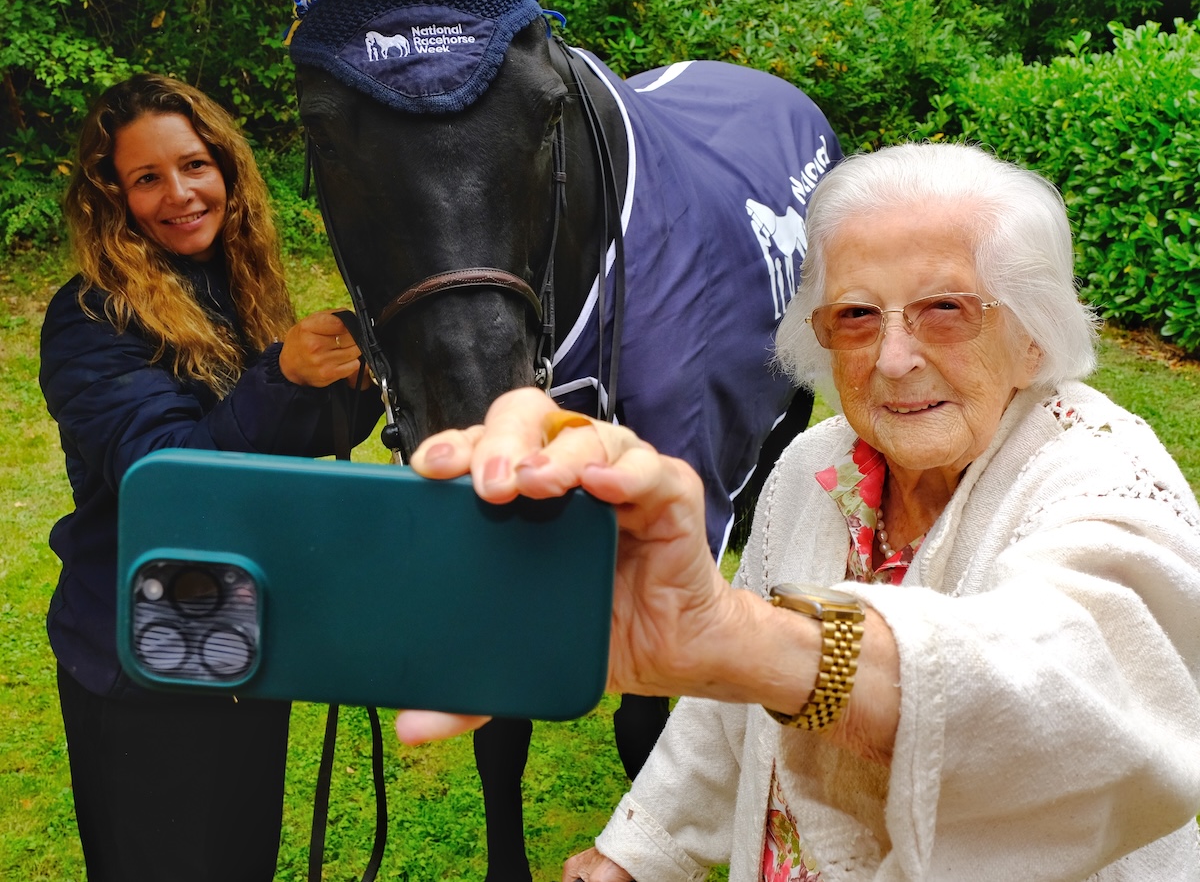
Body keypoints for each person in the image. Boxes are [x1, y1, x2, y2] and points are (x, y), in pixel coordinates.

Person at [398, 143, 1200, 881]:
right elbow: (734, 697)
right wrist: (638, 850)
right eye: (855, 316)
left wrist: (745, 637)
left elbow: (1080, 692)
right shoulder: (814, 463)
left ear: (1035, 332)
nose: (892, 358)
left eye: (946, 308)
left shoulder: (1101, 471)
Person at [40, 74, 381, 882]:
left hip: (239, 637)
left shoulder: (238, 291)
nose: (180, 193)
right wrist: (283, 377)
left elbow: (281, 440)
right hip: (139, 658)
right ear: (112, 197)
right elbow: (173, 480)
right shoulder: (90, 317)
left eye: (194, 164)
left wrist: (354, 381)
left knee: (239, 858)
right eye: (147, 177)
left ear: (226, 167)